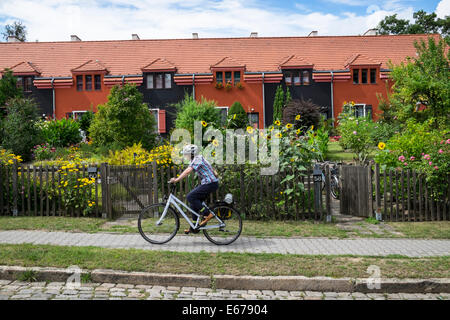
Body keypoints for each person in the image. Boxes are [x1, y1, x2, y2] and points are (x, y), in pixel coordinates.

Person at [169, 144, 219, 234]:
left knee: (190, 197)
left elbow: (188, 171)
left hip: (210, 183)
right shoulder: (196, 159)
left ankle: (207, 214)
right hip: (208, 183)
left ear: (192, 154)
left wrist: (176, 179)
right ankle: (194, 227)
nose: (185, 156)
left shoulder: (197, 159)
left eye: (186, 154)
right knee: (193, 203)